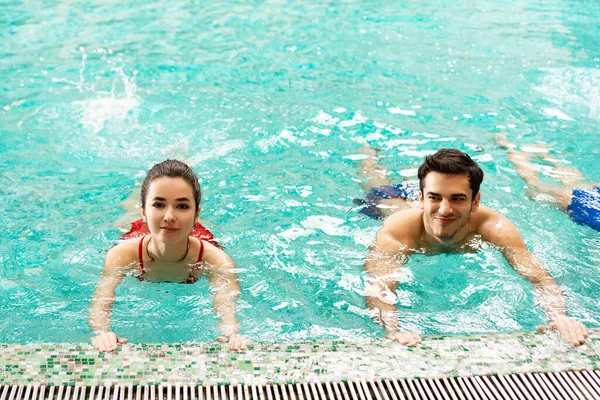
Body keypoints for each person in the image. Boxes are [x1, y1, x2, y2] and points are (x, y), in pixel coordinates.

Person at [358, 145, 588, 347]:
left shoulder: (494, 227)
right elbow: (379, 287)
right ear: (422, 199)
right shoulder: (399, 230)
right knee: (377, 183)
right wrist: (393, 331)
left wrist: (558, 317)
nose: (445, 210)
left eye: (458, 199)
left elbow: (540, 278)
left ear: (475, 201)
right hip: (392, 203)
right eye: (435, 198)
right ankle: (369, 153)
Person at [89, 160, 251, 352]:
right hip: (140, 232)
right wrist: (103, 333)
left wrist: (232, 335)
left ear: (196, 214)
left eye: (182, 206)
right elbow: (101, 304)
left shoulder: (215, 260)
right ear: (144, 211)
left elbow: (227, 306)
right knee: (127, 212)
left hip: (195, 235)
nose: (169, 216)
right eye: (158, 205)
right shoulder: (122, 255)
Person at [496, 133, 600, 231]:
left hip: (593, 199)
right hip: (588, 208)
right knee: (534, 187)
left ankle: (544, 155)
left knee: (576, 181)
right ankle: (509, 148)